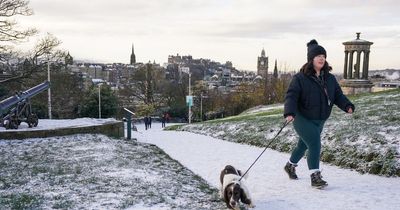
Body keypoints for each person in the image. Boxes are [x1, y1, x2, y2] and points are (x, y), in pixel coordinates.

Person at [283, 39, 355, 188]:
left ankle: (290, 165)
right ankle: (315, 176)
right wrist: (289, 112)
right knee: (315, 143)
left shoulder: (329, 78)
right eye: (318, 56)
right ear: (311, 59)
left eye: (323, 56)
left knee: (303, 146)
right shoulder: (300, 78)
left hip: (320, 118)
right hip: (301, 117)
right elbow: (291, 96)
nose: (322, 58)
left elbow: (337, 95)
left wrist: (346, 105)